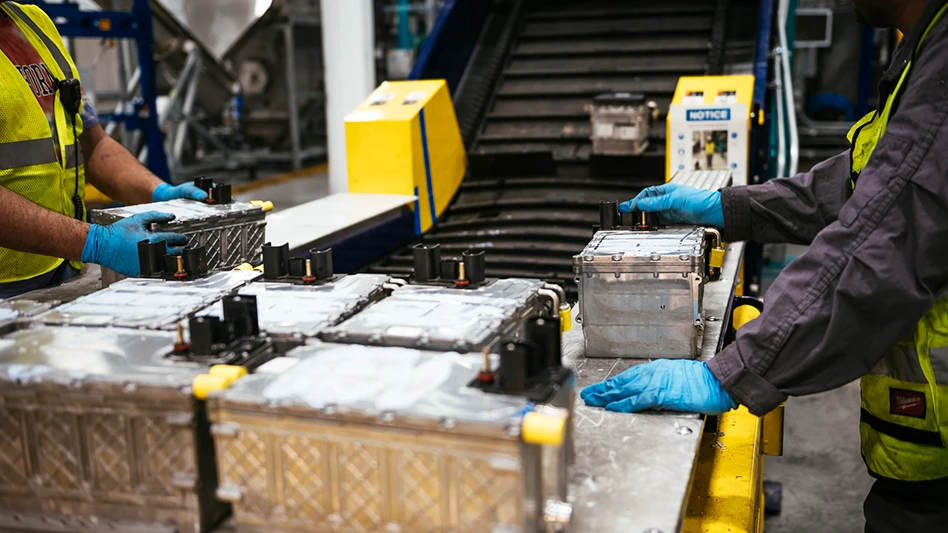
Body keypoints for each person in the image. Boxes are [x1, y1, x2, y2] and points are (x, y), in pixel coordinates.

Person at [584, 0, 948, 530]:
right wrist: (729, 207)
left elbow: (883, 241)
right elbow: (860, 186)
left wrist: (736, 369)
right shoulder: (925, 51)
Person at [0, 2, 206, 299]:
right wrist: (95, 242)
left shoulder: (33, 22)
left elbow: (92, 144)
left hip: (63, 275)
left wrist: (159, 192)